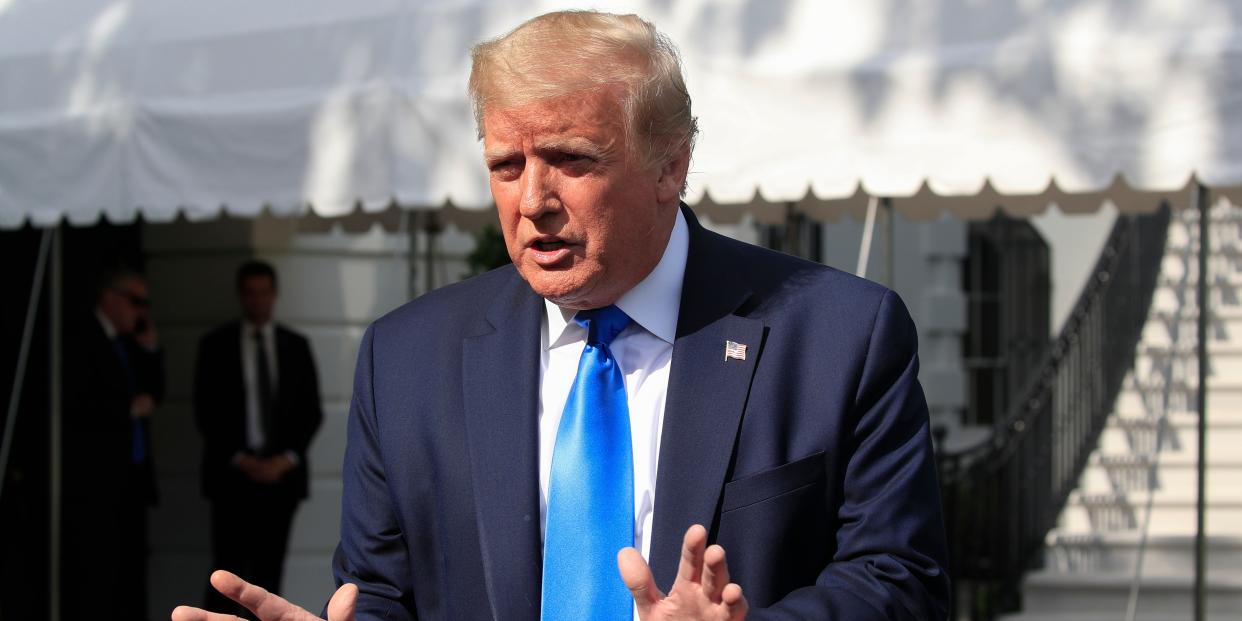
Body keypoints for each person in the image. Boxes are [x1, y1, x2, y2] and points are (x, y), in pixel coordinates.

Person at [174, 10, 949, 621]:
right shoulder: (405, 360)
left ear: (669, 165)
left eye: (572, 159)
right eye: (506, 166)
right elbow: (383, 591)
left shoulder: (840, 335)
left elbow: (902, 580)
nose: (533, 201)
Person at [192, 261, 324, 618]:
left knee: (269, 576)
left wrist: (286, 459)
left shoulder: (295, 345)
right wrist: (240, 459)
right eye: (251, 293)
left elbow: (311, 412)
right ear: (241, 296)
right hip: (232, 478)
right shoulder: (216, 345)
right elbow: (206, 411)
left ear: (275, 295)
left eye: (264, 292)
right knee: (226, 573)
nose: (258, 301)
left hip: (281, 480)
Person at [64, 267, 163, 621]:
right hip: (93, 481)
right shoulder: (80, 336)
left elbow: (157, 393)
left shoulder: (129, 343)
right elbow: (72, 401)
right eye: (136, 302)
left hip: (130, 479)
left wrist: (151, 349)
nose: (141, 311)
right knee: (96, 574)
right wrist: (126, 408)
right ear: (110, 297)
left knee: (128, 570)